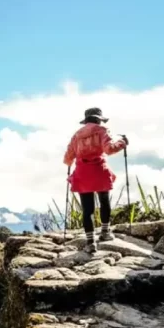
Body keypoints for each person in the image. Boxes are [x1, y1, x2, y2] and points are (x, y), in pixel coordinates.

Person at [63, 107, 128, 253]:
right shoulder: (102, 130)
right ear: (99, 119)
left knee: (87, 209)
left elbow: (68, 158)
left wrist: (71, 161)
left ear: (86, 120)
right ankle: (105, 232)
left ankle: (90, 242)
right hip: (99, 170)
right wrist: (122, 142)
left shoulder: (76, 135)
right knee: (104, 201)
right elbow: (109, 149)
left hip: (82, 173)